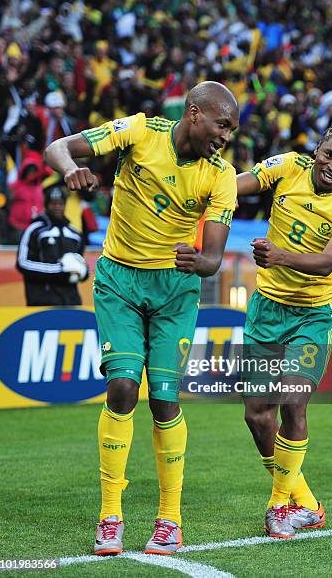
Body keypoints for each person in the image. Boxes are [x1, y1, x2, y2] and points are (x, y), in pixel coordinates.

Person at [44, 81, 239, 555]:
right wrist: (72, 170)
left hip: (174, 289)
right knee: (124, 387)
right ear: (194, 113)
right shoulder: (139, 131)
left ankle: (168, 519)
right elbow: (57, 148)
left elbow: (213, 258)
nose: (226, 136)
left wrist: (200, 261)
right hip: (120, 282)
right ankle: (110, 514)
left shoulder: (222, 175)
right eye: (221, 124)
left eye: (231, 129)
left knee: (165, 398)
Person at [236, 120, 332, 539]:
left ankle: (279, 504)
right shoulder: (288, 166)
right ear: (317, 148)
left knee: (293, 399)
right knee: (258, 415)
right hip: (266, 309)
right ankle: (307, 502)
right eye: (330, 154)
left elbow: (328, 261)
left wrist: (278, 255)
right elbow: (240, 184)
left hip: (314, 313)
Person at [16, 185, 89, 306]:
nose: (57, 207)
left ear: (65, 205)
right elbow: (23, 263)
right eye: (53, 203)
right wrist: (59, 270)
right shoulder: (35, 229)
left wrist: (83, 272)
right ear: (46, 205)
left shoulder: (74, 234)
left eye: (60, 203)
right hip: (42, 301)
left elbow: (80, 261)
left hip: (71, 302)